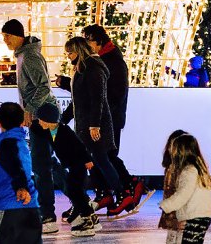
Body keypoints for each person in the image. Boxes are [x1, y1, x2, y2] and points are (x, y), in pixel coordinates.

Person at [60, 37, 134, 217]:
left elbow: (97, 99)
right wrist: (64, 119)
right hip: (86, 125)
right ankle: (104, 196)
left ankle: (122, 193)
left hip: (96, 126)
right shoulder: (83, 68)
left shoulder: (93, 68)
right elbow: (79, 101)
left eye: (70, 52)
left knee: (101, 160)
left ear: (78, 50)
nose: (68, 56)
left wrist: (95, 125)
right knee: (95, 161)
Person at [1, 19, 60, 233]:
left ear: (18, 35)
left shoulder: (30, 56)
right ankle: (64, 207)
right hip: (40, 114)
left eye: (7, 35)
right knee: (45, 164)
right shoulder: (23, 55)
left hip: (43, 115)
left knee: (42, 165)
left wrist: (29, 109)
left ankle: (49, 215)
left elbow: (43, 87)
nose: (5, 40)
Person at [81, 24, 146, 209]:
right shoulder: (98, 60)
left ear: (99, 41)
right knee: (98, 155)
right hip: (101, 117)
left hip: (109, 118)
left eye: (89, 40)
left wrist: (102, 115)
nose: (87, 44)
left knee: (106, 154)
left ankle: (128, 185)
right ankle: (106, 192)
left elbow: (112, 93)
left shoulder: (113, 61)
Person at [35, 103, 100, 237]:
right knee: (74, 190)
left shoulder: (65, 131)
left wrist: (88, 160)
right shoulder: (48, 130)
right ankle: (91, 216)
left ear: (48, 120)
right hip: (72, 166)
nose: (39, 122)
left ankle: (87, 217)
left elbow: (80, 145)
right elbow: (36, 128)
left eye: (41, 120)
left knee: (75, 191)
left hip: (79, 165)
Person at [0, 102, 42, 244]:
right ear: (23, 122)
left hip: (10, 210)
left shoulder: (7, 143)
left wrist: (20, 187)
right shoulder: (21, 143)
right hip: (32, 210)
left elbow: (14, 165)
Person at [159, 133, 211, 243]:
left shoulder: (189, 171)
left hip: (193, 217)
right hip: (202, 216)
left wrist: (166, 205)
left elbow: (183, 194)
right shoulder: (199, 169)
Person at [158, 130, 189, 244]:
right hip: (174, 212)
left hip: (181, 213)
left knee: (178, 237)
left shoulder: (184, 168)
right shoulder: (172, 166)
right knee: (173, 237)